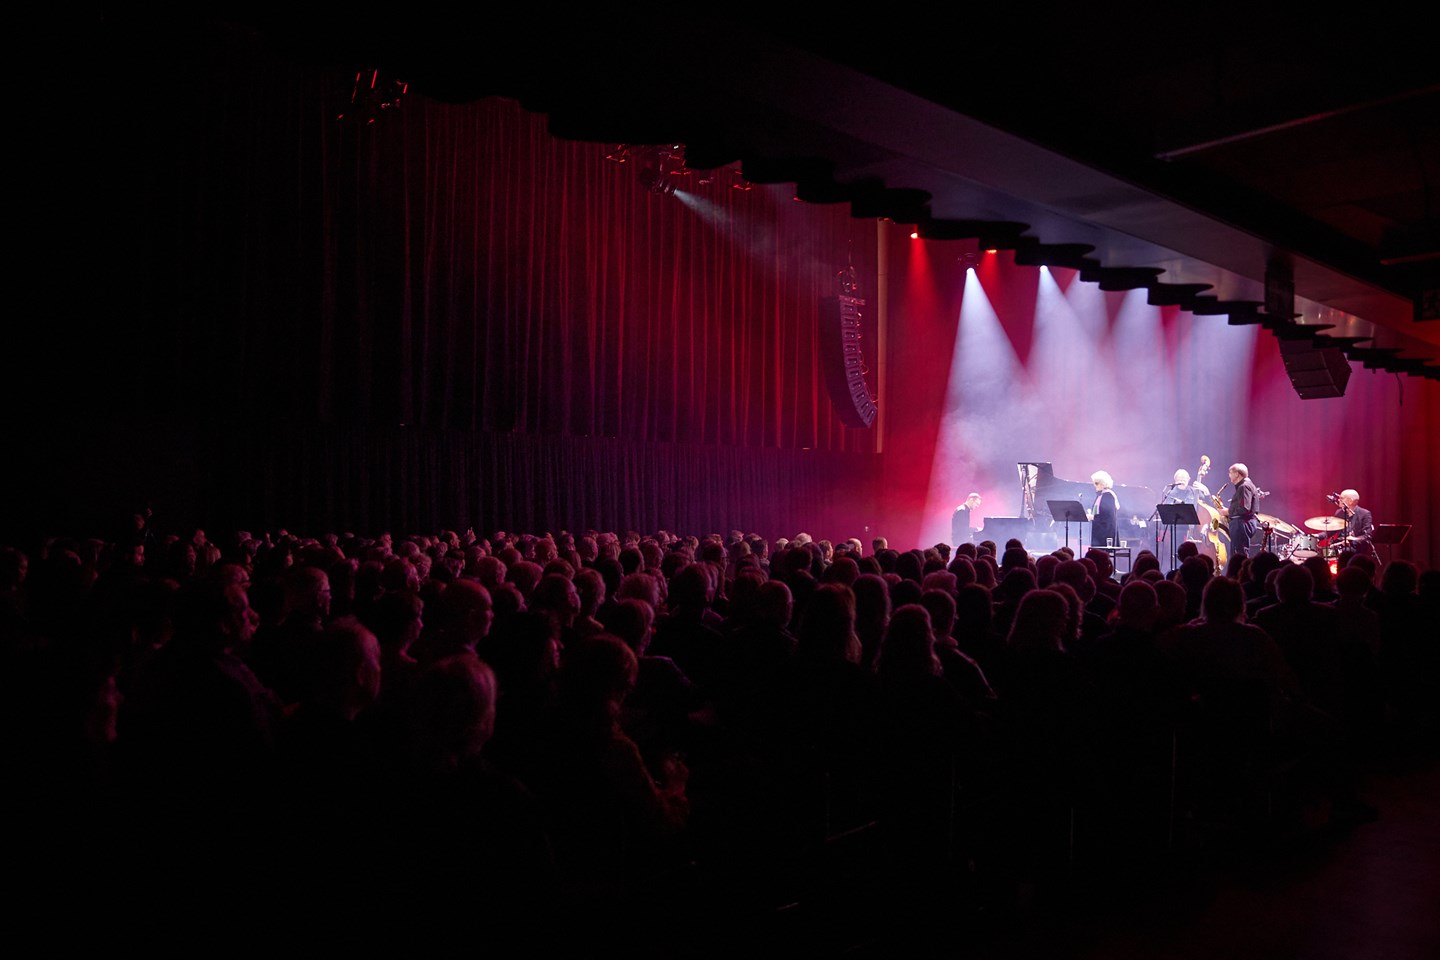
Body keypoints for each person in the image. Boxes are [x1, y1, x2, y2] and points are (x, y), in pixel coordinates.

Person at [1218, 462, 1260, 564]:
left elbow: (1244, 508)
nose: (1229, 475)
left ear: (1237, 474)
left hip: (1242, 523)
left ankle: (1240, 577)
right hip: (1242, 523)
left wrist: (1227, 511)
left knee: (1239, 555)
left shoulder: (1244, 486)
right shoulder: (1245, 485)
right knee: (1238, 554)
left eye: (1230, 472)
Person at [1332, 489, 1376, 561]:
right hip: (1341, 548)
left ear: (1350, 501)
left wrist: (1352, 541)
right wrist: (1317, 536)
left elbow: (1367, 535)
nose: (1339, 500)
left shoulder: (1364, 514)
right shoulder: (1339, 513)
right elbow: (1331, 530)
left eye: (1341, 498)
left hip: (1358, 550)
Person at [1089, 471, 1119, 550]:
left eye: (1096, 483)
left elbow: (1108, 515)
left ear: (1103, 483)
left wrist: (1093, 517)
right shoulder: (1101, 495)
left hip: (1105, 531)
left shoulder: (1108, 495)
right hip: (1099, 530)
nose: (1094, 485)